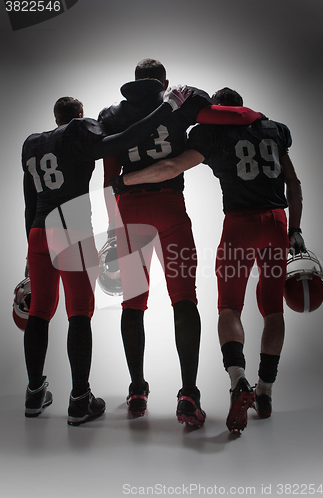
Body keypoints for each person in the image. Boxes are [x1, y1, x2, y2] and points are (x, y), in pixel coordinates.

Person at [112, 87, 305, 432]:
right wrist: (296, 229)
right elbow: (293, 182)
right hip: (276, 224)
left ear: (216, 111)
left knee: (229, 307)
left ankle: (237, 378)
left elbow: (170, 166)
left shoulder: (210, 133)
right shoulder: (275, 128)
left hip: (239, 226)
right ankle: (265, 390)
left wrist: (125, 180)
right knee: (273, 309)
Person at [98, 59, 264, 426]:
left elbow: (110, 177)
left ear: (135, 81)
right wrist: (254, 114)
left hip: (129, 209)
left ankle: (137, 389)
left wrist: (114, 227)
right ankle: (188, 394)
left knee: (133, 303)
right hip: (171, 207)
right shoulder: (179, 99)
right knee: (184, 299)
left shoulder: (111, 114)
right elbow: (234, 117)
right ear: (164, 81)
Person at [22, 89, 190, 425]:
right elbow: (125, 138)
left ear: (55, 117)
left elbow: (29, 200)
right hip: (71, 230)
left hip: (39, 231)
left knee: (40, 310)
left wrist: (29, 250)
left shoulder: (32, 143)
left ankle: (34, 393)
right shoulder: (82, 130)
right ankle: (80, 399)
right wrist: (168, 108)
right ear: (80, 114)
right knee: (79, 312)